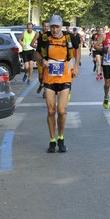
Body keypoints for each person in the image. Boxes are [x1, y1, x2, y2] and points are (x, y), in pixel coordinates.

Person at [39, 15, 79, 153]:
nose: (55, 30)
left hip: (65, 78)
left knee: (61, 111)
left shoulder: (69, 37)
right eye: (52, 27)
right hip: (49, 78)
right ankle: (52, 140)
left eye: (57, 26)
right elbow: (37, 53)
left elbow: (77, 48)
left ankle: (61, 137)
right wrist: (41, 61)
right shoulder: (44, 38)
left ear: (61, 26)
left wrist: (76, 66)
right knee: (51, 111)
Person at [33, 20, 50, 95]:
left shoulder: (50, 34)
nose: (46, 28)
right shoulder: (38, 34)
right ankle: (41, 84)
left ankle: (45, 91)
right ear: (42, 26)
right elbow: (32, 44)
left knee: (46, 74)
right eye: (44, 26)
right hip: (39, 56)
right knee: (40, 76)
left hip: (47, 57)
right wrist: (39, 48)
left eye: (47, 26)